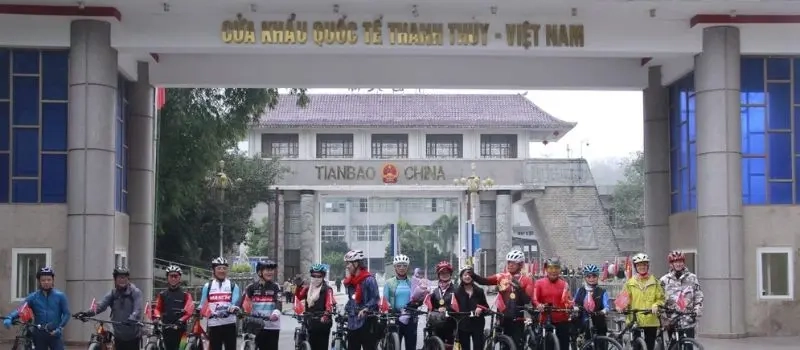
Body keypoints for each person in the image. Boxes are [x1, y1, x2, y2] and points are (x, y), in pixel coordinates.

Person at [470, 250, 535, 347]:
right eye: (509, 262)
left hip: (518, 318)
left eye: (513, 263)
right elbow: (484, 281)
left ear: (520, 265)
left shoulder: (527, 280)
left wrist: (519, 288)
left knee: (517, 345)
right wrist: (473, 275)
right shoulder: (501, 277)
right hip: (502, 316)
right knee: (503, 344)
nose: (510, 265)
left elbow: (527, 300)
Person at [77, 267, 144, 350]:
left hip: (132, 336)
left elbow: (138, 310)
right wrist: (86, 313)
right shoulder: (113, 293)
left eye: (124, 277)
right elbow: (100, 306)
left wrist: (132, 318)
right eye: (120, 277)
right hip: (118, 336)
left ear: (128, 279)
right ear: (115, 279)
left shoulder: (135, 292)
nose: (122, 279)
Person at [3, 267, 70, 350]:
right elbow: (21, 309)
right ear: (39, 281)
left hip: (55, 333)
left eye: (49, 280)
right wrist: (10, 317)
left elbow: (67, 313)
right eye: (43, 280)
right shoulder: (33, 297)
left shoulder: (60, 296)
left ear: (53, 280)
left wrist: (60, 328)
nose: (46, 282)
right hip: (39, 333)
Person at [618, 253, 665, 350]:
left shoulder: (655, 282)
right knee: (637, 347)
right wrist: (620, 306)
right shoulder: (630, 283)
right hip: (635, 320)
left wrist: (656, 304)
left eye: (644, 264)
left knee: (649, 346)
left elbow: (661, 298)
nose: (642, 267)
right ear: (635, 267)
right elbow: (624, 298)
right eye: (639, 265)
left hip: (651, 319)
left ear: (647, 266)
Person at [660, 251, 703, 350]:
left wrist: (697, 310)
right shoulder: (664, 280)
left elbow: (698, 295)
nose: (678, 264)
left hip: (688, 319)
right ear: (671, 264)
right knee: (673, 346)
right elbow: (660, 299)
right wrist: (664, 317)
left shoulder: (692, 278)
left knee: (688, 347)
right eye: (675, 262)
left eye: (680, 261)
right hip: (672, 320)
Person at [383, 254, 426, 350]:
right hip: (395, 317)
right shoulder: (389, 283)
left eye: (404, 265)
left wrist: (418, 302)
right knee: (393, 346)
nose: (402, 268)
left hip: (411, 317)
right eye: (399, 265)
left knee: (411, 346)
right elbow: (385, 301)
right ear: (394, 267)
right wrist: (388, 308)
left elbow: (418, 298)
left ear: (408, 267)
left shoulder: (413, 282)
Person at [199, 257, 242, 350]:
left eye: (224, 268)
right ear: (213, 270)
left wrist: (234, 307)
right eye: (219, 268)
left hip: (229, 324)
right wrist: (199, 309)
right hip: (214, 325)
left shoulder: (233, 285)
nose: (222, 270)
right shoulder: (208, 286)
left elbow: (235, 301)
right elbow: (202, 303)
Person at [343, 250, 380, 350]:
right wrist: (346, 309)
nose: (347, 266)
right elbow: (352, 300)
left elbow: (375, 298)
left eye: (348, 263)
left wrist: (366, 309)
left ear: (356, 264)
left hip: (367, 322)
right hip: (352, 322)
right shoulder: (350, 281)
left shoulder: (369, 279)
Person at [241, 259, 282, 349]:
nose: (270, 272)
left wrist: (275, 314)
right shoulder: (251, 287)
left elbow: (278, 303)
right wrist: (239, 310)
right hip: (256, 326)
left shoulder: (276, 287)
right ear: (260, 272)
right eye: (267, 270)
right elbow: (242, 301)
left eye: (272, 270)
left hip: (272, 326)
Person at [533, 258, 573, 350]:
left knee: (564, 346)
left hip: (562, 320)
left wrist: (571, 306)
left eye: (556, 268)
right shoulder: (539, 283)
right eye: (551, 268)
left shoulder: (564, 284)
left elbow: (569, 300)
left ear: (559, 270)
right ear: (546, 269)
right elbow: (534, 299)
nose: (553, 271)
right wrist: (539, 305)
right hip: (545, 320)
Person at [153, 265, 194, 350]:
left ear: (179, 278)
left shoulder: (185, 294)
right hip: (166, 328)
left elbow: (189, 311)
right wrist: (157, 317)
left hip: (181, 329)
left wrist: (181, 320)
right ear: (167, 278)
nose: (173, 278)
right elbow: (157, 308)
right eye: (171, 276)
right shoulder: (162, 294)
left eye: (176, 276)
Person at [296, 263, 336, 350]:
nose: (316, 278)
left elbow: (329, 304)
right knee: (310, 344)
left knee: (321, 346)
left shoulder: (327, 289)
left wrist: (326, 315)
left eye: (319, 276)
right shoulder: (307, 288)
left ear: (323, 276)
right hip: (310, 320)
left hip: (322, 322)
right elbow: (299, 297)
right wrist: (298, 286)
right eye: (314, 276)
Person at [573, 264, 611, 350]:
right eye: (588, 276)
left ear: (597, 277)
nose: (591, 279)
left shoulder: (602, 291)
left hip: (598, 323)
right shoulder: (580, 290)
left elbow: (607, 306)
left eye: (594, 276)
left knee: (601, 346)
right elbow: (574, 302)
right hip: (583, 324)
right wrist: (575, 308)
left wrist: (603, 311)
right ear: (585, 278)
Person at [454, 266, 488, 350]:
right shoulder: (456, 292)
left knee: (478, 347)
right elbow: (453, 309)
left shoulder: (479, 291)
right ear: (461, 277)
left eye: (470, 274)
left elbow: (486, 306)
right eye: (465, 275)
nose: (467, 277)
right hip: (463, 325)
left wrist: (481, 308)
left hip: (478, 324)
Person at [423, 261, 457, 345]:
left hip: (451, 324)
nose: (444, 274)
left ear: (450, 274)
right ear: (438, 275)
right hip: (437, 325)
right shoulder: (434, 291)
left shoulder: (457, 290)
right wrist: (437, 309)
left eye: (447, 272)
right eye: (442, 273)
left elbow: (460, 306)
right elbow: (431, 308)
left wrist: (447, 309)